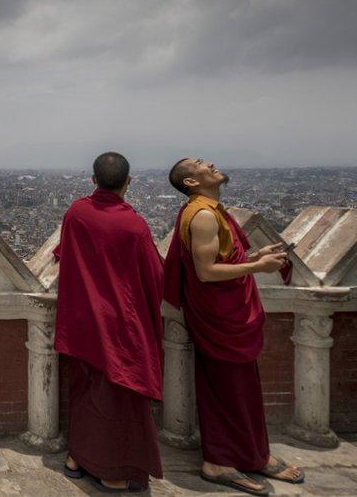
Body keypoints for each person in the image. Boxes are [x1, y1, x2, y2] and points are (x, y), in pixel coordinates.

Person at [164, 157, 304, 496]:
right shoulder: (203, 216)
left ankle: (254, 455)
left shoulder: (210, 211)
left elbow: (224, 258)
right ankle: (220, 462)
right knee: (227, 391)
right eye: (199, 164)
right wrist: (258, 268)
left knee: (241, 390)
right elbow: (206, 271)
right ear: (191, 183)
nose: (209, 163)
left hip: (225, 316)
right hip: (219, 318)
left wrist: (254, 257)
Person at [54, 152, 165, 492]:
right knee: (116, 398)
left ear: (93, 180)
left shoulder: (77, 213)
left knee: (85, 391)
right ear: (128, 182)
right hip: (118, 325)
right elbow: (155, 278)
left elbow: (66, 252)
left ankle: (76, 457)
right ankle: (111, 470)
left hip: (82, 320)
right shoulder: (134, 225)